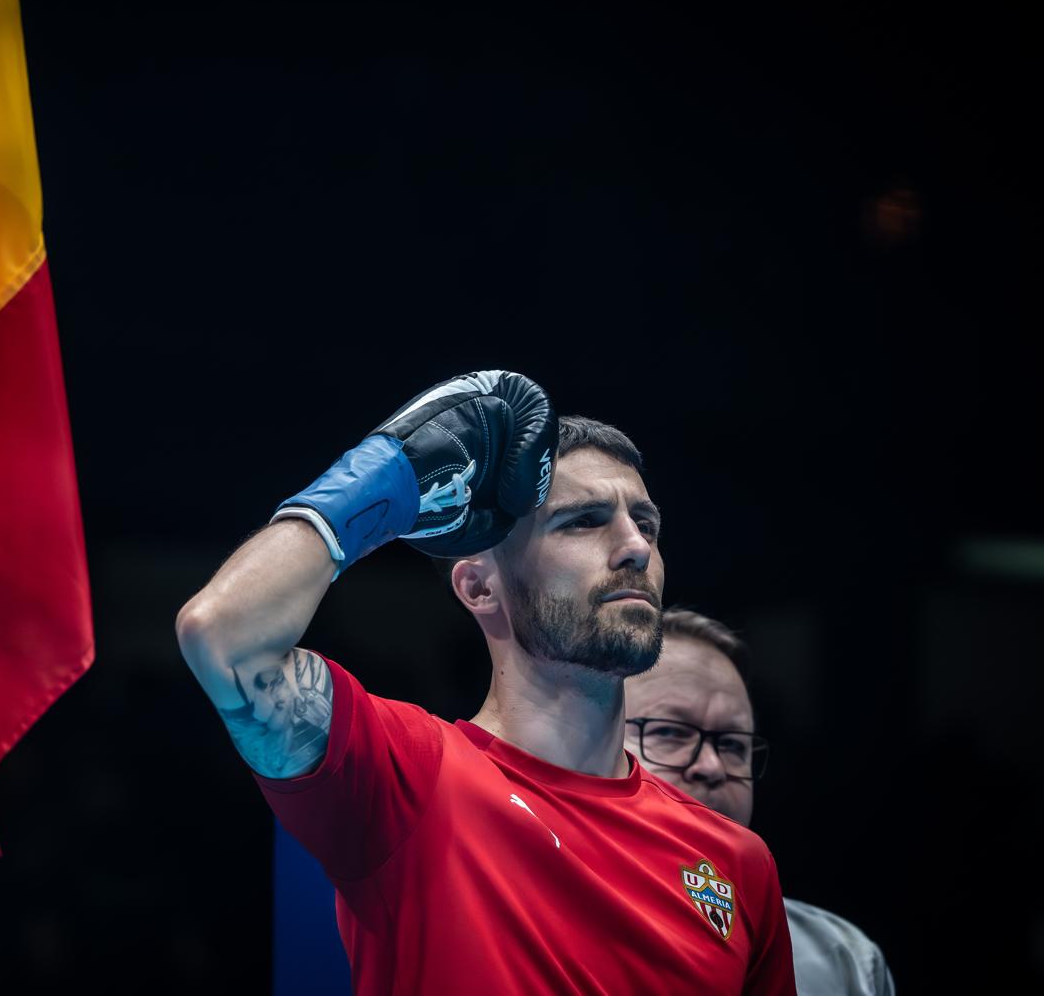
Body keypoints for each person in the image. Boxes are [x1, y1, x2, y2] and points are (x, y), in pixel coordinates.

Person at [176, 371, 796, 994]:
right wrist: (386, 472)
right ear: (478, 587)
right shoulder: (408, 775)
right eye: (583, 521)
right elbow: (223, 635)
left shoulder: (736, 863)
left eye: (647, 525)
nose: (635, 547)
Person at [624, 608, 895, 995]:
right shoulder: (541, 932)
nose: (712, 766)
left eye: (732, 745)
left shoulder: (844, 962)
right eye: (669, 732)